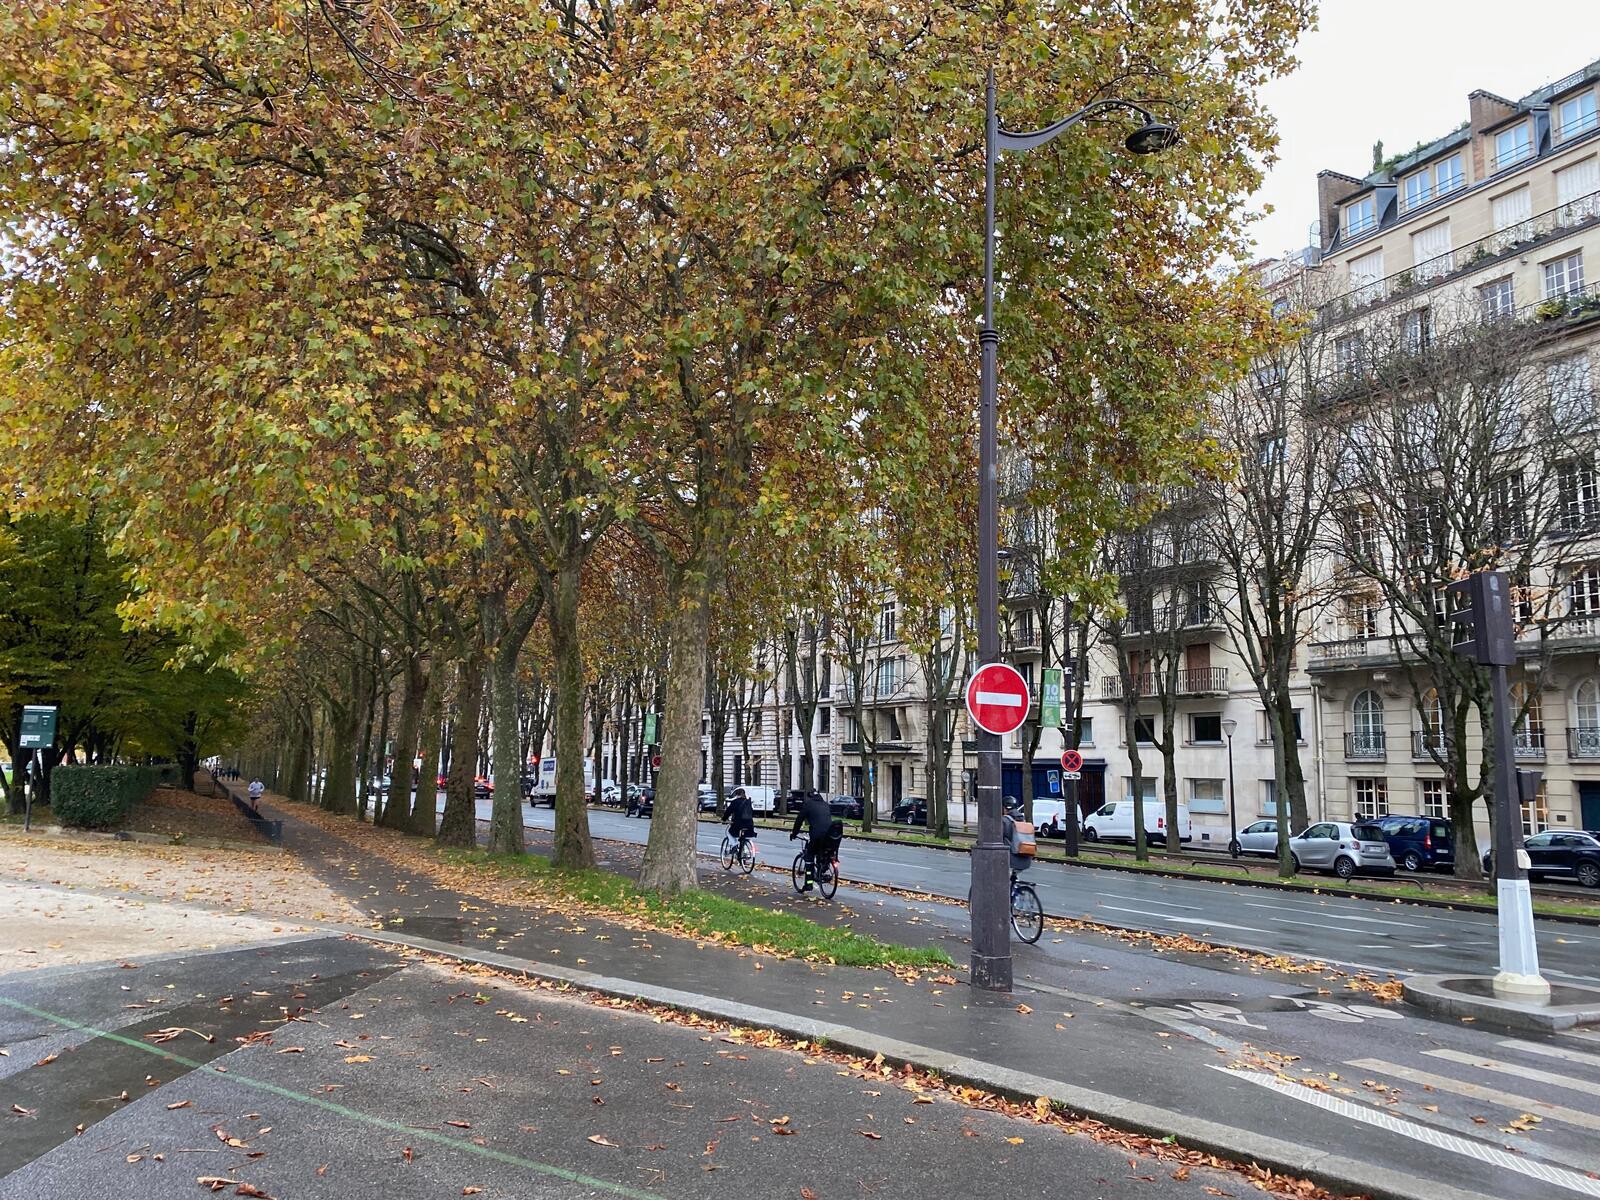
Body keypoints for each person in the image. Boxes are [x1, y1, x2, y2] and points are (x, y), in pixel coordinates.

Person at [789, 789, 837, 891]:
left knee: (809, 857)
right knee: (822, 853)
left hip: (817, 836)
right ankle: (822, 870)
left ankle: (809, 884)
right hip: (829, 837)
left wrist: (794, 833)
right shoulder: (825, 804)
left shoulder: (809, 805)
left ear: (809, 797)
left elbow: (799, 820)